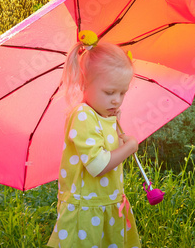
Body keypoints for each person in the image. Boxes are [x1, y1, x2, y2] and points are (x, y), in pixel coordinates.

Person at [48, 30, 141, 248]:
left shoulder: (105, 115)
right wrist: (129, 147)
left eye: (122, 92)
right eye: (109, 92)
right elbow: (98, 165)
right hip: (87, 211)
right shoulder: (82, 115)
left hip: (108, 204)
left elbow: (109, 151)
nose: (117, 100)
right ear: (84, 83)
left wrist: (119, 137)